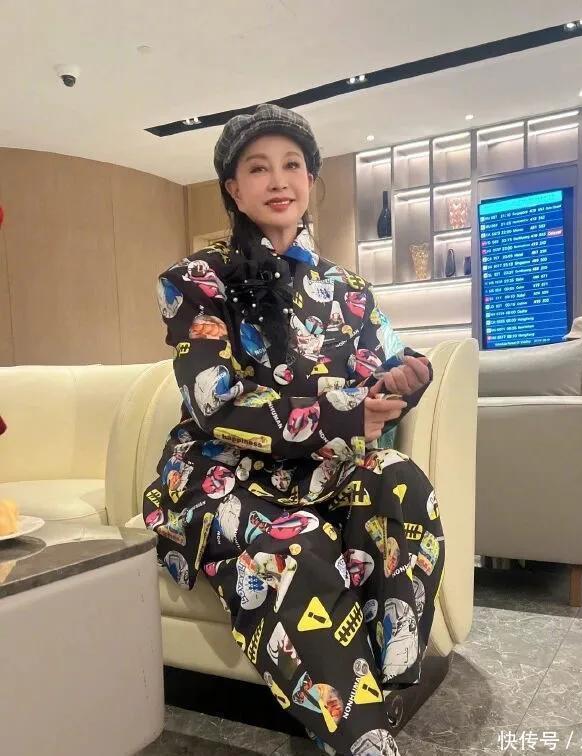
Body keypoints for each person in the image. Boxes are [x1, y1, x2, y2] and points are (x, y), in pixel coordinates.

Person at [143, 103, 444, 756]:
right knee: (298, 544)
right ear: (233, 188)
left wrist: (405, 379)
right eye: (258, 168)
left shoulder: (348, 289)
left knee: (403, 484)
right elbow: (215, 404)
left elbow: (392, 363)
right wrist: (345, 413)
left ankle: (387, 687)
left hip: (319, 471)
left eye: (292, 165)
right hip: (219, 474)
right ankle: (363, 742)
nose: (278, 180)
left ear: (310, 179)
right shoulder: (194, 281)